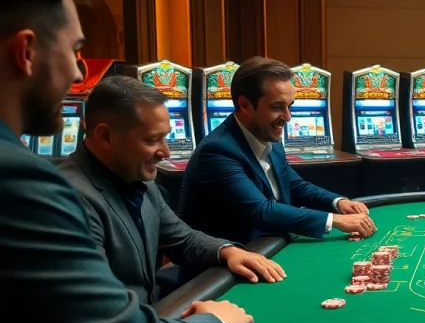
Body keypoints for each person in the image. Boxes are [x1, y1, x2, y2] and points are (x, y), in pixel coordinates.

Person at [0, 0, 253, 323]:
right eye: (73, 51)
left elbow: (178, 238)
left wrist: (225, 250)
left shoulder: (137, 182)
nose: (77, 74)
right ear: (24, 51)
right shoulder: (32, 186)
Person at [59, 76, 287, 304]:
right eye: (152, 140)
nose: (166, 152)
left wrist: (227, 251)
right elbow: (100, 308)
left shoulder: (138, 177)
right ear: (105, 136)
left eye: (165, 137)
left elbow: (182, 238)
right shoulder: (69, 199)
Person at [178, 56, 375, 245]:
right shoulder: (217, 151)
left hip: (269, 247)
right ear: (245, 105)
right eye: (277, 107)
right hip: (221, 270)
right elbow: (260, 210)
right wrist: (335, 220)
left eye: (289, 106)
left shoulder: (269, 138)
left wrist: (337, 202)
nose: (288, 117)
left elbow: (295, 185)